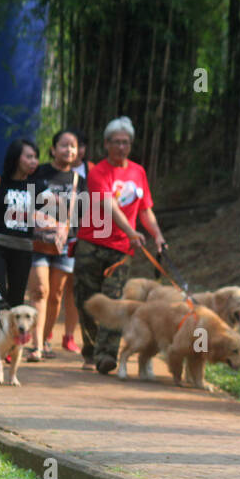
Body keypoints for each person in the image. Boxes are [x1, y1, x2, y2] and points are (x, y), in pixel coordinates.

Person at [74, 116, 166, 373]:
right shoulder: (97, 172)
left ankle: (107, 354)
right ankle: (91, 349)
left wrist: (156, 234)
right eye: (116, 142)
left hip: (121, 248)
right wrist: (131, 230)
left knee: (114, 300)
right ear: (106, 144)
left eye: (126, 142)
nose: (121, 147)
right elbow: (108, 204)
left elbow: (146, 209)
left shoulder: (138, 172)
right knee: (88, 299)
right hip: (91, 243)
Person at [26, 129, 83, 360]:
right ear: (53, 149)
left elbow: (81, 215)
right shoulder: (38, 173)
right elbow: (26, 201)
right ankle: (36, 345)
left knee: (56, 294)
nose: (68, 150)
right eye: (63, 145)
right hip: (38, 241)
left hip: (66, 244)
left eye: (73, 146)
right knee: (40, 289)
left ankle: (46, 338)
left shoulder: (80, 181)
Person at [0, 139, 39, 316]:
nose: (33, 161)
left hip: (23, 249)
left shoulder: (37, 186)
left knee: (17, 300)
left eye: (35, 157)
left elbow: (53, 214)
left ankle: (12, 343)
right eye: (29, 156)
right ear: (16, 158)